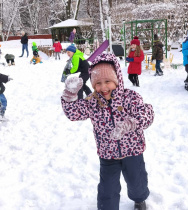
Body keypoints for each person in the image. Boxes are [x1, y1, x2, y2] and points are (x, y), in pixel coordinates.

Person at [61, 53, 154, 210]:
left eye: (108, 82)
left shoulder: (129, 97)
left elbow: (147, 113)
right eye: (98, 83)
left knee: (136, 181)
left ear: (117, 79)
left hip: (133, 151)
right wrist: (70, 96)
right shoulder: (92, 102)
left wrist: (131, 123)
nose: (103, 87)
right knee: (107, 188)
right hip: (107, 153)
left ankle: (139, 200)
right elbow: (73, 113)